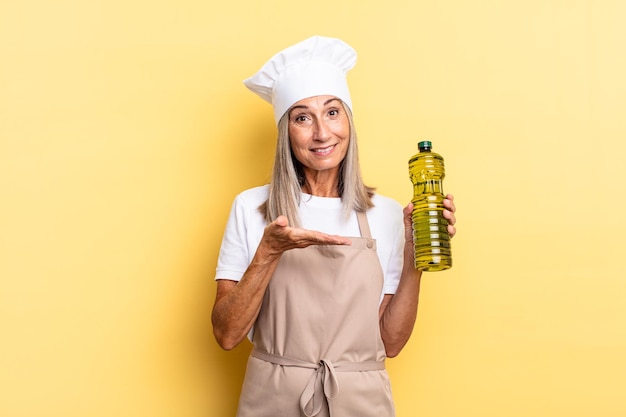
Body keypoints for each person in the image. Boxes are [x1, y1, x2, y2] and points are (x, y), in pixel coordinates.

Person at [212, 36, 457, 417]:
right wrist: (269, 251)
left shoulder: (388, 214)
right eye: (302, 117)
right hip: (273, 400)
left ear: (348, 122)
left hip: (360, 402)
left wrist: (414, 254)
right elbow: (226, 335)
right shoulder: (250, 208)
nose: (322, 134)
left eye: (332, 112)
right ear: (285, 133)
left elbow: (390, 342)